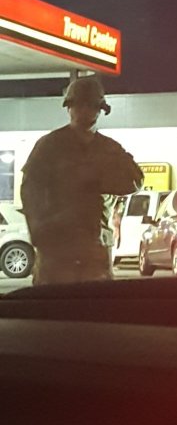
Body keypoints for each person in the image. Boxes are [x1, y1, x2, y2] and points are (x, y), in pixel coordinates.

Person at [21, 76, 143, 285]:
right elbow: (30, 192)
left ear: (99, 110)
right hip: (57, 249)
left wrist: (99, 177)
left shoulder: (109, 149)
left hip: (94, 249)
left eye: (90, 106)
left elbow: (134, 181)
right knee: (52, 309)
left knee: (95, 310)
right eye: (78, 105)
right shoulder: (49, 146)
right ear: (69, 108)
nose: (83, 111)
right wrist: (40, 233)